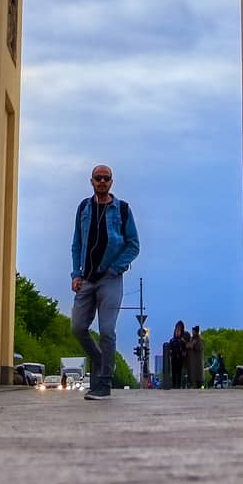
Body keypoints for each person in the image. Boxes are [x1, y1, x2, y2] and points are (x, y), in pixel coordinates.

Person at [70, 163, 140, 401]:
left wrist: (115, 267)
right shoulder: (84, 208)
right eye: (98, 178)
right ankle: (101, 359)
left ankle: (104, 381)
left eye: (106, 178)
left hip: (110, 278)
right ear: (91, 181)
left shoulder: (122, 210)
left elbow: (133, 245)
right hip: (87, 278)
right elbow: (77, 243)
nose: (102, 181)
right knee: (78, 327)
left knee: (107, 330)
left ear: (112, 182)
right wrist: (76, 274)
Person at [167, 320, 190, 388]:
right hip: (174, 356)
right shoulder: (172, 340)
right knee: (174, 371)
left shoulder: (183, 340)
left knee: (179, 371)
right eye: (176, 330)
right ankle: (174, 384)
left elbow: (185, 347)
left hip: (180, 357)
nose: (177, 332)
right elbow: (170, 348)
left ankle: (179, 384)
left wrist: (184, 352)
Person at [187, 324, 205, 391]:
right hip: (192, 359)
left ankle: (201, 386)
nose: (192, 332)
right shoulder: (192, 339)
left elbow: (199, 347)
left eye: (193, 331)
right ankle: (193, 384)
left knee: (199, 374)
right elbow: (188, 345)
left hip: (198, 360)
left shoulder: (200, 339)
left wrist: (193, 345)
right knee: (193, 374)